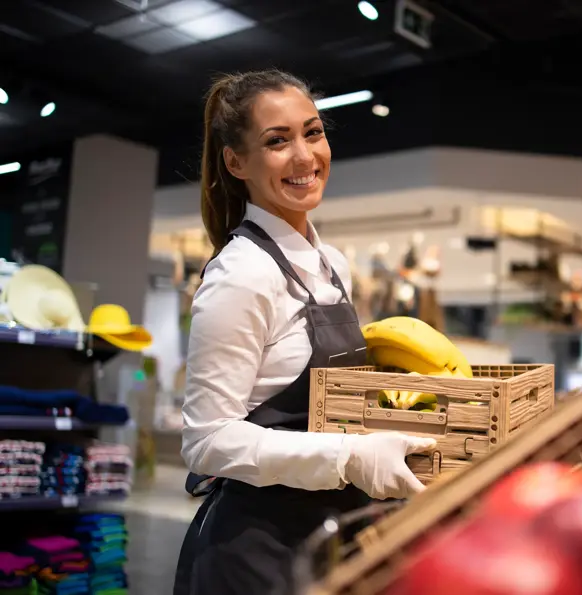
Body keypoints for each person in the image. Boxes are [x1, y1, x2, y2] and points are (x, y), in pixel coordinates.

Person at [173, 70, 436, 595]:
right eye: (277, 141)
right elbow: (206, 441)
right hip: (255, 554)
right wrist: (350, 458)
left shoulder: (332, 263)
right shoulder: (241, 274)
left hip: (329, 538)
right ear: (236, 162)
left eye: (312, 133)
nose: (303, 156)